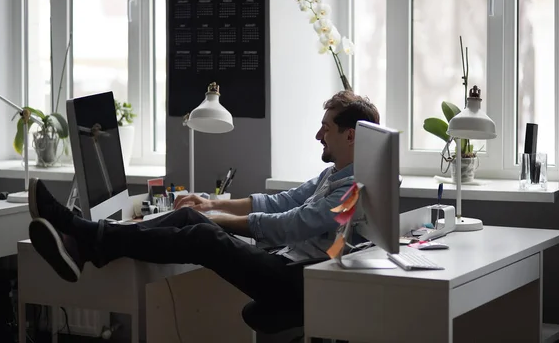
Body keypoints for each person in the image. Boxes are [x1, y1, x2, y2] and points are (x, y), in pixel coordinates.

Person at [26, 90, 380, 323]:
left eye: (326, 128)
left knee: (203, 236)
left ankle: (84, 236)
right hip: (285, 261)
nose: (319, 136)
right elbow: (280, 201)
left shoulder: (353, 188)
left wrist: (216, 218)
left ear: (350, 135)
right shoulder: (333, 176)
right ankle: (89, 242)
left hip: (297, 279)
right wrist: (209, 204)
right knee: (188, 215)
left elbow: (290, 224)